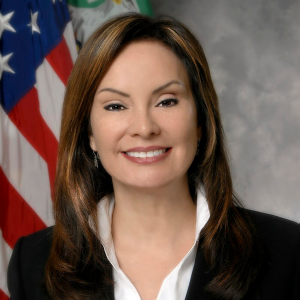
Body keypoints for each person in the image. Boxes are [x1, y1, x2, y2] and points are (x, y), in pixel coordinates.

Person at [8, 13, 300, 300]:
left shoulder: (287, 251)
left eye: (166, 101)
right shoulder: (33, 263)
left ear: (200, 121)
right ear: (90, 134)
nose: (145, 128)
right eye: (115, 106)